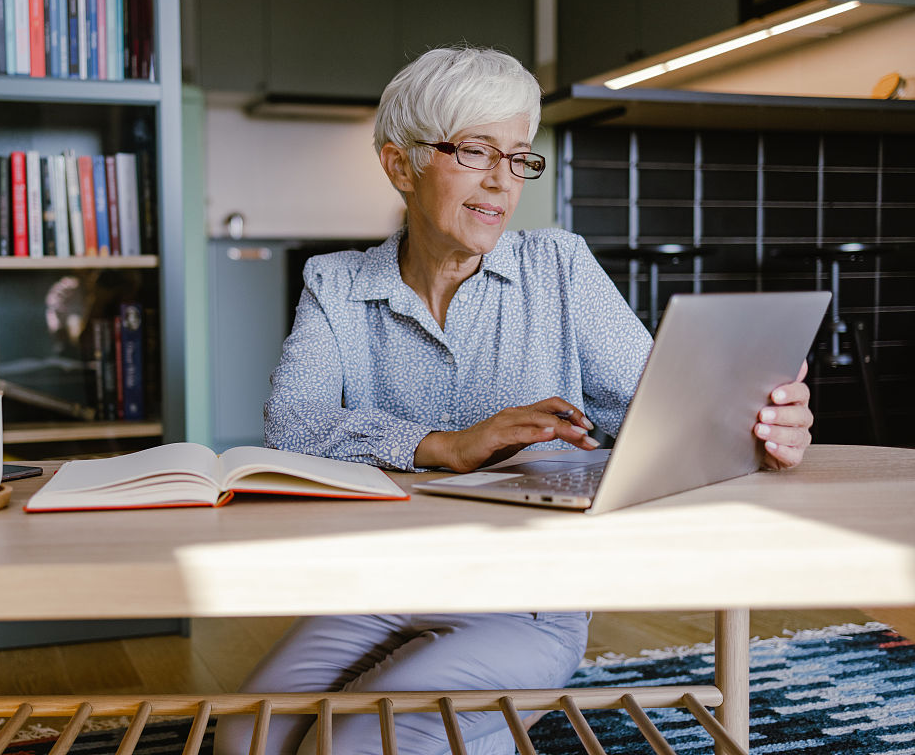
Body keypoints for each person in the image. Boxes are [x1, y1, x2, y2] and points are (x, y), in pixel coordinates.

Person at [212, 47, 813, 755]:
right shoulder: (337, 284)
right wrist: (445, 445)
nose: (502, 180)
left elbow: (660, 416)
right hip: (376, 583)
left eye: (520, 157)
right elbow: (294, 427)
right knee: (244, 739)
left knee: (349, 745)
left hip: (525, 601)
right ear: (399, 164)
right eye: (475, 151)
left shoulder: (557, 265)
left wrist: (761, 426)